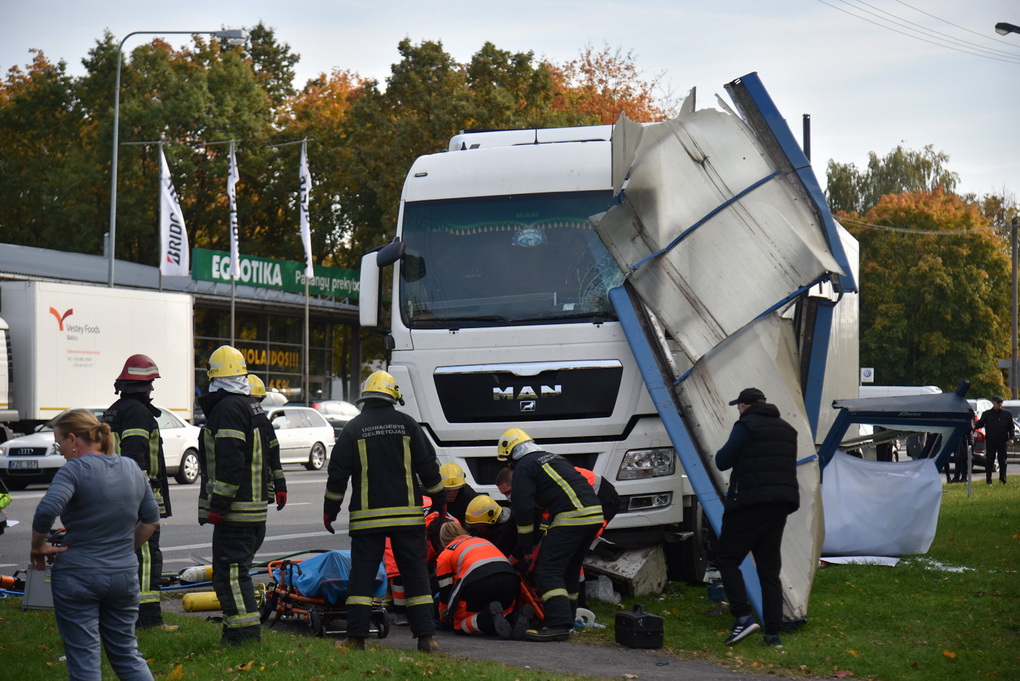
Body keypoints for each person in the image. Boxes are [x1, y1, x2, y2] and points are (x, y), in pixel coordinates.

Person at [31, 408, 160, 680]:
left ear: (74, 439)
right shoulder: (131, 467)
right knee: (127, 653)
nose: (61, 450)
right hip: (124, 575)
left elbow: (46, 511)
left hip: (78, 575)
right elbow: (150, 521)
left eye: (60, 443)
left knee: (84, 658)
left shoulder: (74, 471)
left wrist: (38, 547)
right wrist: (125, 550)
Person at [323, 370, 447, 653]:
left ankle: (355, 638)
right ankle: (426, 637)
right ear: (393, 396)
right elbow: (429, 467)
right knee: (415, 574)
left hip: (368, 520)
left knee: (362, 577)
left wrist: (330, 511)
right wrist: (440, 500)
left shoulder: (353, 429)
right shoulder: (408, 425)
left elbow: (337, 476)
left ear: (366, 396)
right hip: (407, 517)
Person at [198, 345, 285, 645]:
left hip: (236, 513)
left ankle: (244, 637)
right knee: (235, 574)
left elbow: (231, 463)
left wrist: (218, 505)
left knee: (231, 575)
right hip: (254, 511)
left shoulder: (227, 409)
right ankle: (236, 631)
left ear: (214, 375)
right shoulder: (251, 406)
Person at [497, 427, 603, 642]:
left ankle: (557, 624)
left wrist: (526, 546)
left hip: (572, 516)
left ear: (511, 455)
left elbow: (525, 509)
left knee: (547, 569)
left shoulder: (524, 467)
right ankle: (570, 617)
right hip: (593, 515)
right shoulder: (553, 458)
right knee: (569, 569)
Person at [714, 387, 800, 648]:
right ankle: (773, 634)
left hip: (750, 503)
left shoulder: (746, 426)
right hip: (780, 504)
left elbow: (722, 461)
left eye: (738, 407)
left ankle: (742, 616)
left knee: (727, 559)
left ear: (744, 405)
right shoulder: (787, 428)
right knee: (769, 569)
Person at [102, 353, 175, 631]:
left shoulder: (115, 409)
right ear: (142, 386)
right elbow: (135, 459)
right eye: (151, 384)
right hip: (135, 499)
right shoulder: (137, 412)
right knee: (146, 556)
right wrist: (143, 502)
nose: (153, 389)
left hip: (113, 497)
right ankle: (149, 620)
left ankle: (120, 615)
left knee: (123, 555)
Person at [435, 522, 520, 639]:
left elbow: (445, 591)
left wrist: (443, 617)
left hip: (478, 580)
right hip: (510, 577)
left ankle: (489, 618)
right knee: (503, 611)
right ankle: (514, 618)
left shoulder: (447, 552)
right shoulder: (482, 540)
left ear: (442, 539)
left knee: (459, 626)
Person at [247, 374, 287, 507]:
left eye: (258, 401)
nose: (255, 405)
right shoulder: (238, 421)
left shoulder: (264, 422)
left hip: (263, 490)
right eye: (253, 400)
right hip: (245, 492)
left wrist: (280, 487)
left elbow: (275, 458)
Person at [974, 396, 1013, 485]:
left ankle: (1003, 480)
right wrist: (974, 425)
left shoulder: (1007, 414)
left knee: (1002, 461)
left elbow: (1010, 428)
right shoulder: (987, 414)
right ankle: (988, 480)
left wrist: (1011, 438)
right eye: (998, 403)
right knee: (989, 461)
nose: (999, 405)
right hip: (991, 441)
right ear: (993, 403)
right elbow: (980, 423)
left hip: (1002, 441)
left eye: (1001, 403)